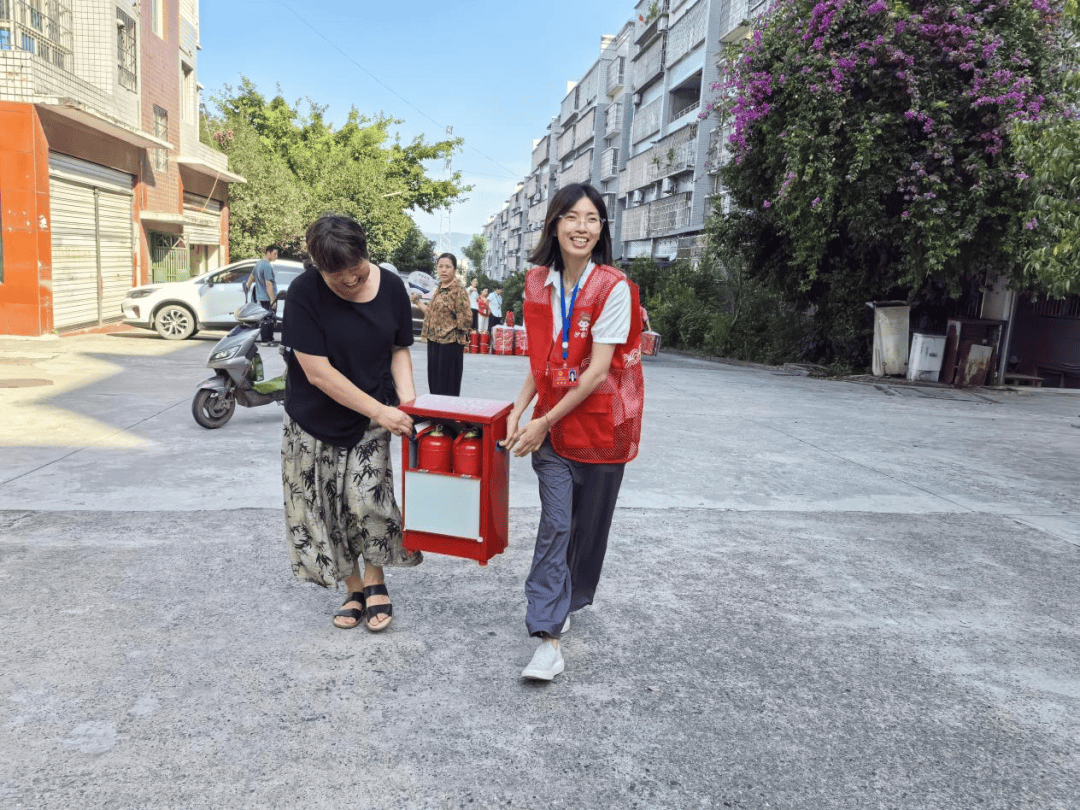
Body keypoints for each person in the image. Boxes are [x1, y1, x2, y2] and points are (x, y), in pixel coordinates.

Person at [501, 183, 644, 681]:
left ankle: (567, 599)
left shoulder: (614, 288)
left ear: (601, 229)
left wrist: (541, 419)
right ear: (554, 224)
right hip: (556, 437)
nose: (582, 227)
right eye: (572, 217)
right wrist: (518, 411)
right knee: (557, 525)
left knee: (587, 535)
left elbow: (596, 371)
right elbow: (542, 361)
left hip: (604, 430)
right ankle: (547, 635)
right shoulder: (538, 283)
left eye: (592, 219)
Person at [279, 215, 420, 633]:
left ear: (365, 254)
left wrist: (411, 405)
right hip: (313, 417)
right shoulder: (304, 293)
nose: (351, 285)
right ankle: (353, 587)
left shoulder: (392, 287)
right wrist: (380, 410)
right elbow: (317, 372)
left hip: (372, 416)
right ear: (318, 268)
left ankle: (376, 579)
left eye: (356, 274)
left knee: (368, 501)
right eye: (339, 280)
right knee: (326, 508)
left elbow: (399, 349)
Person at [413, 252, 471, 396]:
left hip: (450, 344)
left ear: (454, 269)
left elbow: (465, 320)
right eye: (440, 266)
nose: (443, 270)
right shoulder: (438, 288)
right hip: (434, 341)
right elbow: (432, 312)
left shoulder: (458, 291)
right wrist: (417, 302)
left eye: (448, 267)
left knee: (447, 386)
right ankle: (436, 416)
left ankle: (447, 417)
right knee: (434, 383)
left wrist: (453, 332)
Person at [245, 244, 281, 343]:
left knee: (265, 318)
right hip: (267, 298)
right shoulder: (267, 266)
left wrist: (247, 287)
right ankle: (267, 340)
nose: (276, 256)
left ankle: (267, 338)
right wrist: (272, 300)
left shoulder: (259, 263)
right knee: (268, 319)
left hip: (260, 298)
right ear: (268, 253)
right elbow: (268, 284)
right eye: (274, 254)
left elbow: (251, 278)